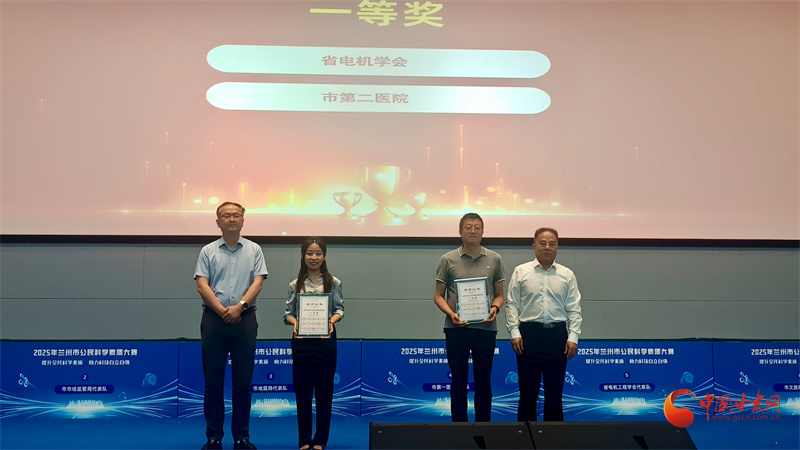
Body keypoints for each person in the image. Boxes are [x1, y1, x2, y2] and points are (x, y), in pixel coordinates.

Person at [195, 202, 267, 450]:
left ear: (243, 220)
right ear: (218, 222)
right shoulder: (208, 251)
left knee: (243, 383)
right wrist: (223, 311)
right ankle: (214, 437)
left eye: (236, 215)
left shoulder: (254, 249)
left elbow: (258, 283)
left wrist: (240, 307)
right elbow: (202, 285)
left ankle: (241, 437)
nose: (232, 219)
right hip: (213, 321)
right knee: (213, 383)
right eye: (226, 216)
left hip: (245, 320)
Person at [434, 213, 505, 422]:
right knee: (458, 381)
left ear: (483, 232)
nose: (472, 231)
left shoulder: (495, 258)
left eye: (477, 227)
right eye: (468, 227)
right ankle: (459, 429)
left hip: (486, 329)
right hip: (456, 329)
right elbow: (438, 296)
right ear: (460, 231)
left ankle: (483, 428)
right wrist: (451, 314)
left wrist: (495, 308)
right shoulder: (447, 259)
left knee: (484, 382)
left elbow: (500, 295)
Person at [506, 227, 582, 422]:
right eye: (542, 243)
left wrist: (573, 337)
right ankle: (525, 435)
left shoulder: (567, 274)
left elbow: (574, 308)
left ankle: (554, 437)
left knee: (554, 393)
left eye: (552, 244)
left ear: (557, 247)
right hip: (528, 336)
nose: (547, 247)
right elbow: (512, 304)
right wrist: (514, 332)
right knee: (528, 392)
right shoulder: (521, 271)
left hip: (557, 336)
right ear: (534, 246)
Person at [284, 237, 344, 450]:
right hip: (301, 342)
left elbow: (339, 309)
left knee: (324, 391)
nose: (314, 257)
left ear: (324, 256)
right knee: (302, 391)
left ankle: (320, 439)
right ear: (303, 256)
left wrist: (331, 322)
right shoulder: (295, 285)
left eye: (318, 253)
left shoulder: (334, 282)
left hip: (325, 341)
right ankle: (304, 439)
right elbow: (287, 314)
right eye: (309, 253)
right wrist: (295, 323)